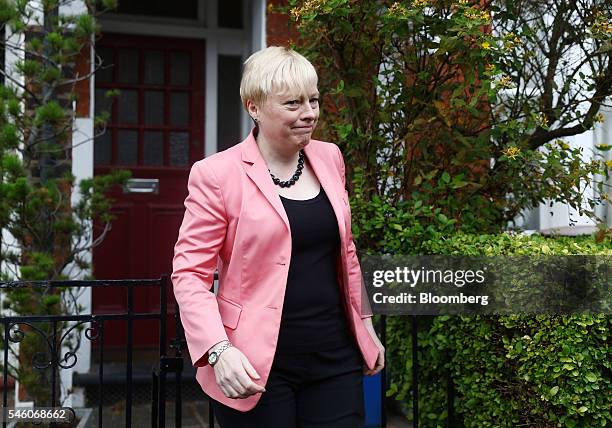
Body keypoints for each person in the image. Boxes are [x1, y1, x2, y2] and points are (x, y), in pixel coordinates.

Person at [171, 46, 385, 427]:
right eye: (292, 104)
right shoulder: (216, 174)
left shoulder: (331, 158)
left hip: (334, 355)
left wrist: (365, 324)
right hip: (255, 363)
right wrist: (219, 351)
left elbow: (345, 251)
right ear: (253, 107)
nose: (309, 113)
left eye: (314, 100)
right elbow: (189, 276)